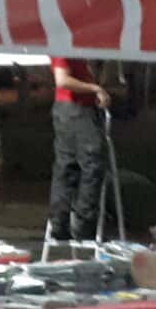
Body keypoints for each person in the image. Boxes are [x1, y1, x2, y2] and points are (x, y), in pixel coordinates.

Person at [46, 57, 111, 247]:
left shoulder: (70, 45)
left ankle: (61, 225)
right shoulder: (63, 46)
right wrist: (95, 88)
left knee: (67, 166)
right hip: (75, 110)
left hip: (71, 110)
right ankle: (82, 225)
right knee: (92, 164)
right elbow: (63, 80)